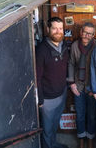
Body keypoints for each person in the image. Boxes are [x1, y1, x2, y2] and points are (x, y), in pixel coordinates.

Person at [36, 17, 69, 148]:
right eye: (54, 28)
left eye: (60, 28)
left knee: (55, 125)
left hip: (62, 94)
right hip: (48, 99)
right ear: (48, 29)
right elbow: (37, 77)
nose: (58, 31)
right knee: (47, 129)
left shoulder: (64, 46)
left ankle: (53, 144)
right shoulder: (41, 50)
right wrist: (40, 100)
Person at [67, 22, 96, 148]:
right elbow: (71, 64)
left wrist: (95, 89)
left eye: (90, 33)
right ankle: (81, 138)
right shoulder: (75, 45)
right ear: (81, 32)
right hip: (78, 87)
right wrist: (72, 83)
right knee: (79, 115)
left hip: (91, 88)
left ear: (93, 35)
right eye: (85, 32)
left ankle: (90, 138)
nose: (86, 35)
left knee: (91, 115)